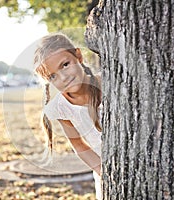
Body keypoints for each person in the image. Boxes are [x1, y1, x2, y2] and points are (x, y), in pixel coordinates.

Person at [34, 33, 102, 199]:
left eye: (65, 65)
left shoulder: (108, 82)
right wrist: (103, 170)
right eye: (53, 76)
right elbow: (79, 144)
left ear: (78, 56)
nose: (64, 77)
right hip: (103, 168)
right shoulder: (62, 108)